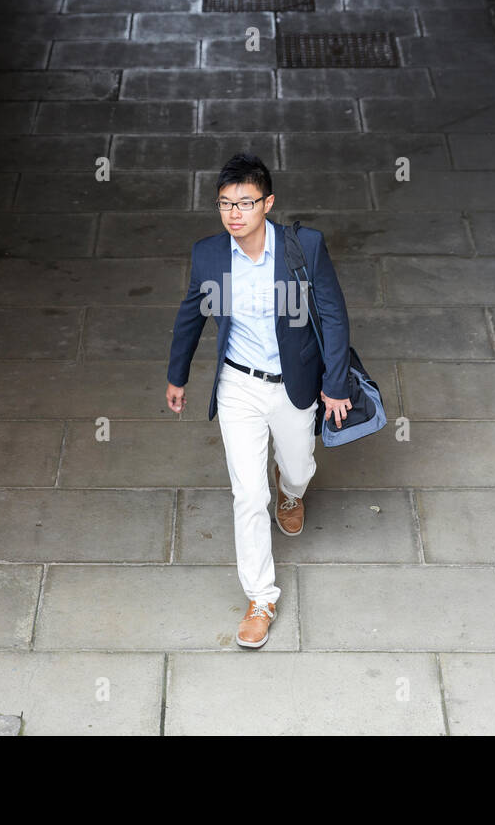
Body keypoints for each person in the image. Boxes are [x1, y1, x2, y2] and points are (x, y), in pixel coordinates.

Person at [166, 153, 352, 648]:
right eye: (225, 203)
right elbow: (192, 315)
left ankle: (291, 490)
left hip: (294, 382)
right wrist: (177, 375)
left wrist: (334, 384)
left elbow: (333, 316)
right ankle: (261, 597)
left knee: (300, 467)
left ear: (267, 203)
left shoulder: (304, 247)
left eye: (245, 203)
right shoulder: (208, 254)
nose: (234, 213)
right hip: (238, 386)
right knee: (248, 495)